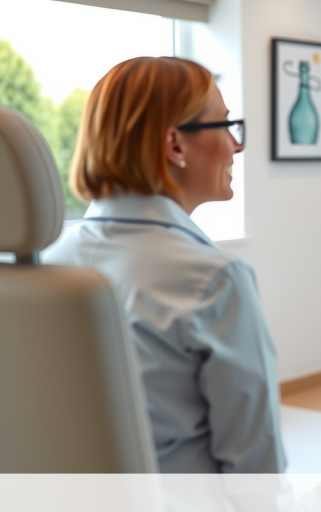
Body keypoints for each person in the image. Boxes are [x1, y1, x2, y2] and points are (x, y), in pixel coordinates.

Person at [45, 57, 286, 473]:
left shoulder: (43, 265)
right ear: (176, 145)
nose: (237, 145)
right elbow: (255, 475)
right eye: (226, 126)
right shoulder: (213, 280)